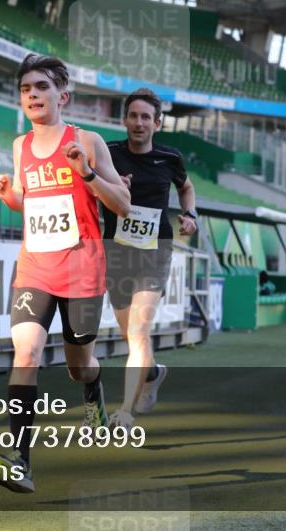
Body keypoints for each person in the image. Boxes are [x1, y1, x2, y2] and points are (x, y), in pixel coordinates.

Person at [0, 54, 130, 493]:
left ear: (62, 96)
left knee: (78, 366)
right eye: (26, 88)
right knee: (25, 353)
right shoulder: (19, 146)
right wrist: (8, 193)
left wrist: (85, 172)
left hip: (82, 269)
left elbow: (122, 204)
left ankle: (94, 385)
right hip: (35, 268)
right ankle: (19, 461)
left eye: (42, 87)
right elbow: (28, 206)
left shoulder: (88, 141)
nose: (33, 94)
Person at [102, 88, 197, 431]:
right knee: (130, 334)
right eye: (133, 116)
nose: (139, 123)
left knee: (140, 331)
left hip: (155, 251)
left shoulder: (170, 158)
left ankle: (125, 412)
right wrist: (113, 184)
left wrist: (191, 215)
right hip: (116, 250)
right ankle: (153, 372)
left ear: (157, 123)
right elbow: (89, 185)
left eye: (146, 117)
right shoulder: (108, 153)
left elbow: (187, 187)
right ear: (124, 119)